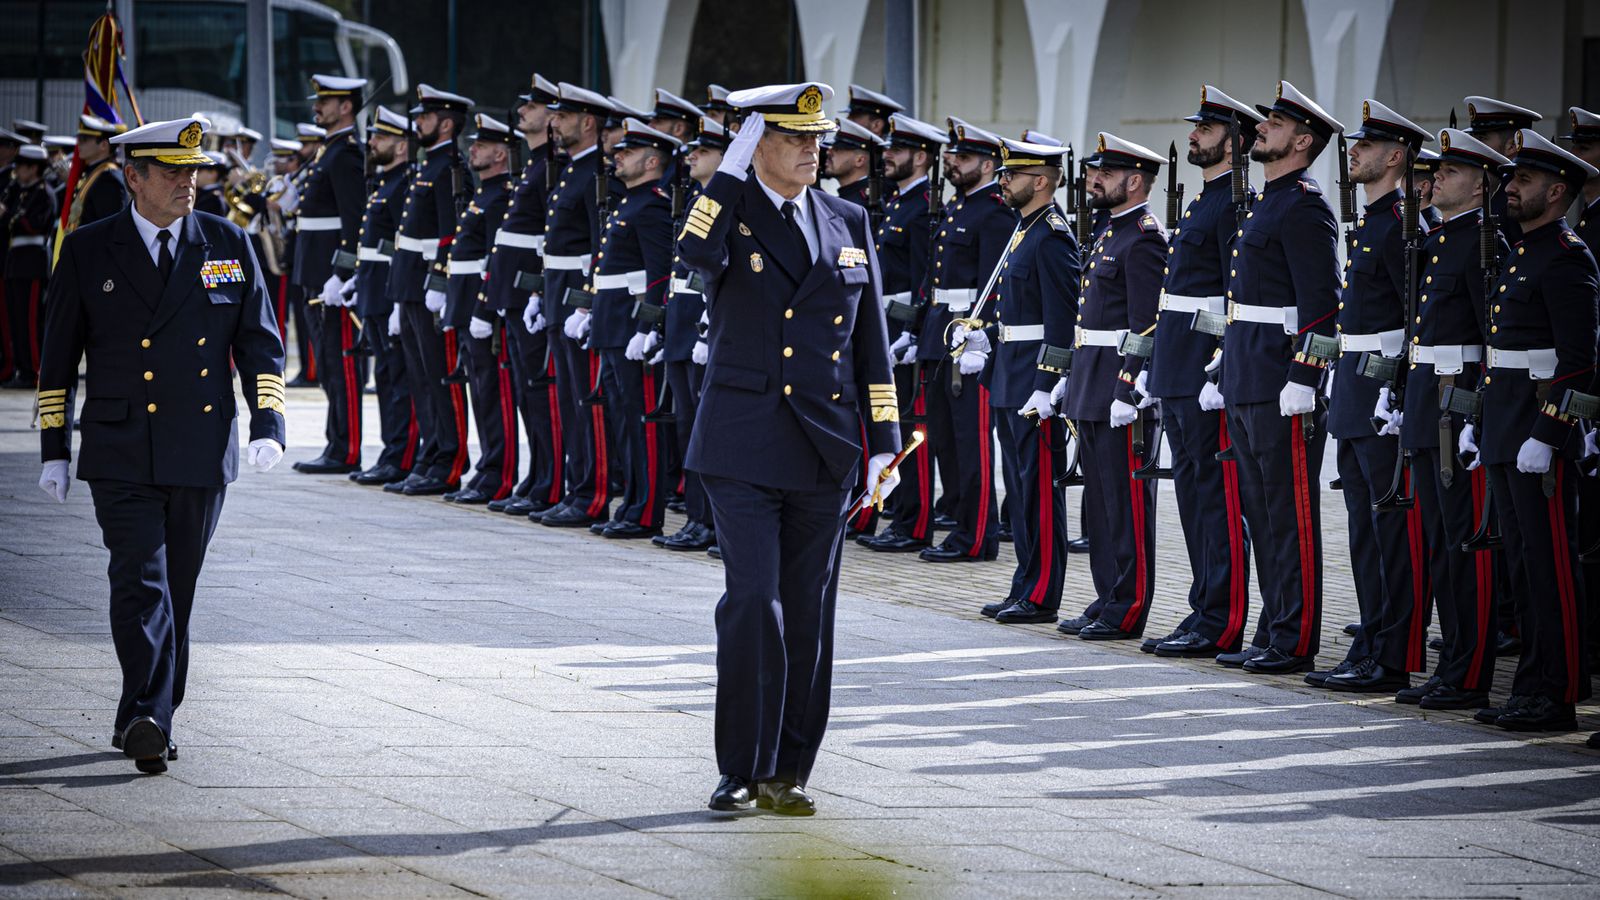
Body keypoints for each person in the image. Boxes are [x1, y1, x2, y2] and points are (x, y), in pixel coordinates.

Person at [35, 115, 286, 774]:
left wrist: (268, 424)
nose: (189, 183)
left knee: (178, 587)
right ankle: (152, 716)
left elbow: (259, 342)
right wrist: (53, 446)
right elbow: (56, 358)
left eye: (195, 171)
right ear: (133, 177)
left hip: (200, 444)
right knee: (139, 580)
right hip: (120, 444)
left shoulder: (227, 242)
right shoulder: (89, 248)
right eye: (173, 172)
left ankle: (143, 711)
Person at [679, 83, 900, 816]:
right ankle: (740, 766)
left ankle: (787, 771)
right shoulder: (729, 210)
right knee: (754, 602)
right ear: (757, 143)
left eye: (819, 138)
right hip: (743, 442)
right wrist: (730, 171)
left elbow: (871, 347)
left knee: (807, 612)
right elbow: (692, 252)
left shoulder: (848, 218)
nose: (815, 149)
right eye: (795, 138)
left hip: (825, 447)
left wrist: (884, 442)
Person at [1465, 130, 1598, 731]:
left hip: (1538, 430)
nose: (1509, 188)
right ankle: (1531, 686)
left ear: (1559, 190)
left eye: (1522, 180)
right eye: (1510, 179)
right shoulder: (1521, 249)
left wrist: (1550, 432)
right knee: (1521, 562)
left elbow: (1578, 360)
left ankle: (1561, 691)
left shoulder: (1567, 256)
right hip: (1504, 421)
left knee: (1551, 564)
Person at [1215, 81, 1341, 674]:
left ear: (1303, 139)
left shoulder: (1306, 205)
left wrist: (1305, 377)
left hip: (1279, 384)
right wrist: (1225, 362)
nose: (1260, 127)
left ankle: (1295, 639)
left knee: (1289, 514)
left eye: (1274, 122)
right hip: (1246, 373)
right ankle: (1274, 624)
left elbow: (1322, 307)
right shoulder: (1268, 200)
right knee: (1261, 513)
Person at [1314, 100, 1432, 692]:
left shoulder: (1406, 226)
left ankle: (1393, 656)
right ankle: (1372, 636)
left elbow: (1417, 321)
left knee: (1392, 529)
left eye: (1365, 146)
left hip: (1384, 396)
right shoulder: (1374, 223)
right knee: (1364, 528)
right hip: (1357, 391)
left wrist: (1399, 394)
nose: (1352, 152)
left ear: (1395, 157)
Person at [1391, 127, 1509, 710]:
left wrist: (1474, 412)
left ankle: (1469, 672)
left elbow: (1494, 342)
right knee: (1439, 543)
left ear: (1481, 185)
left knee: (1464, 545)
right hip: (1424, 400)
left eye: (1451, 173)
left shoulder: (1484, 244)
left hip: (1453, 406)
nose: (1435, 179)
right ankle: (1452, 664)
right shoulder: (1439, 239)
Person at [1141, 86, 1261, 658]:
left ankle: (1223, 616)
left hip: (1203, 372)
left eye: (1206, 130)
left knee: (1215, 497)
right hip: (1178, 368)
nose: (1193, 136)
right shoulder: (1204, 201)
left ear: (1234, 142)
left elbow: (1236, 298)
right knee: (1192, 494)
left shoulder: (1236, 204)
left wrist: (1218, 370)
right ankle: (1203, 608)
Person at [957, 137, 1080, 625]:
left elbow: (1062, 318)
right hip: (1010, 371)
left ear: (1042, 181)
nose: (1003, 180)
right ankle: (1023, 585)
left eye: (1013, 174)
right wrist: (985, 339)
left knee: (1040, 490)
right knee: (1021, 489)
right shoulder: (1022, 229)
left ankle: (1042, 593)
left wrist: (1048, 383)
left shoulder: (1051, 235)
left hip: (1034, 381)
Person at [1055, 132, 1167, 642]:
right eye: (1094, 171)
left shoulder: (1142, 236)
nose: (1093, 180)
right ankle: (1106, 596)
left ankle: (1129, 604)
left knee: (1125, 503)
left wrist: (1130, 386)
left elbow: (1147, 324)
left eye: (1104, 173)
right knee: (1099, 504)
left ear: (1135, 180)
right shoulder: (1107, 232)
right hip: (1091, 378)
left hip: (1119, 387)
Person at [917, 118, 1015, 565]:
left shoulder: (994, 212)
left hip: (968, 339)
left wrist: (980, 335)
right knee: (943, 436)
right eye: (951, 156)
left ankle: (977, 535)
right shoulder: (958, 208)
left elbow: (994, 284)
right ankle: (958, 520)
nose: (952, 163)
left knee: (970, 439)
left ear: (989, 164)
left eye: (964, 157)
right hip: (941, 332)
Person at [585, 117, 677, 537]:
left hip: (631, 327)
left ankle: (646, 510)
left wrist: (650, 326)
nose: (618, 156)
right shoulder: (629, 202)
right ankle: (631, 504)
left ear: (652, 160)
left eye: (628, 151)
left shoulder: (653, 205)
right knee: (624, 418)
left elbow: (659, 274)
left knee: (644, 421)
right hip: (612, 320)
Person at [860, 113, 946, 553]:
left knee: (911, 430)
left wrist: (911, 331)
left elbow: (923, 277)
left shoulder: (924, 208)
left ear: (921, 156)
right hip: (883, 325)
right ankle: (889, 511)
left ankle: (914, 522)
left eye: (896, 149)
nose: (887, 155)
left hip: (903, 331)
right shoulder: (896, 203)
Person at [386, 84, 475, 496]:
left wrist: (438, 282)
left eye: (424, 117)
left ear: (444, 123)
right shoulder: (429, 165)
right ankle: (431, 452)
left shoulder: (451, 167)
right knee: (421, 376)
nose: (416, 123)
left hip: (429, 286)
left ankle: (450, 460)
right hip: (411, 284)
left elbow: (451, 233)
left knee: (441, 376)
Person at [485, 73, 563, 518]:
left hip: (529, 296)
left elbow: (550, 241)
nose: (521, 113)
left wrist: (534, 292)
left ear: (553, 118)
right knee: (524, 392)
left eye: (532, 107)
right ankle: (538, 476)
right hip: (515, 295)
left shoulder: (551, 165)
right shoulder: (534, 165)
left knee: (539, 390)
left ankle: (550, 480)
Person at [536, 83, 612, 528]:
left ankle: (591, 493)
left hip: (574, 295)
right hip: (555, 288)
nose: (555, 124)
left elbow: (600, 247)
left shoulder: (594, 174)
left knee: (586, 401)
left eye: (563, 118)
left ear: (587, 123)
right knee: (568, 399)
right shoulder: (571, 170)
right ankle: (574, 486)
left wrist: (584, 303)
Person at [655, 115, 729, 552]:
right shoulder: (697, 200)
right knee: (688, 430)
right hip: (683, 327)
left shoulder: (727, 202)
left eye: (702, 151)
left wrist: (707, 328)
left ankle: (718, 523)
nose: (691, 156)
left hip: (705, 330)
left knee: (712, 433)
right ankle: (699, 517)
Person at [292, 74, 370, 476]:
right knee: (326, 364)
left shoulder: (347, 154)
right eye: (318, 101)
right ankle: (335, 442)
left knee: (341, 366)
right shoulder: (328, 152)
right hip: (315, 273)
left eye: (326, 101)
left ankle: (347, 448)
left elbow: (355, 222)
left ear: (347, 107)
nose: (317, 107)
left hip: (330, 281)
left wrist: (343, 273)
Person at [350, 106, 421, 487]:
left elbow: (402, 249)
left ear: (402, 145)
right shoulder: (385, 182)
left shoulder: (404, 183)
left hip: (389, 292)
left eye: (381, 137)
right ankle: (391, 451)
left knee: (398, 377)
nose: (372, 142)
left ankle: (402, 455)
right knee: (385, 374)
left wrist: (395, 299)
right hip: (374, 289)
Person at [448, 114, 517, 504]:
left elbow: (495, 262)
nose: (472, 148)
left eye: (482, 144)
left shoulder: (501, 194)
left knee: (494, 392)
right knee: (479, 389)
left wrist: (484, 309)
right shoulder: (482, 192)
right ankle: (488, 467)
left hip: (481, 306)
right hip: (466, 301)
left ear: (500, 153)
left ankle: (500, 473)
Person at [3, 144, 57, 389]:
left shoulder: (43, 192)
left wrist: (12, 216)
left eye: (23, 166)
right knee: (16, 320)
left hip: (33, 263)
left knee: (31, 321)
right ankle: (21, 368)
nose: (18, 172)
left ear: (34, 168)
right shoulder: (19, 190)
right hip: (16, 263)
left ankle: (34, 371)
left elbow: (36, 225)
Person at [65, 115, 128, 235]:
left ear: (104, 145)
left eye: (84, 139)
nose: (79, 144)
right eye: (79, 139)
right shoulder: (94, 173)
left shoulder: (108, 178)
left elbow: (109, 229)